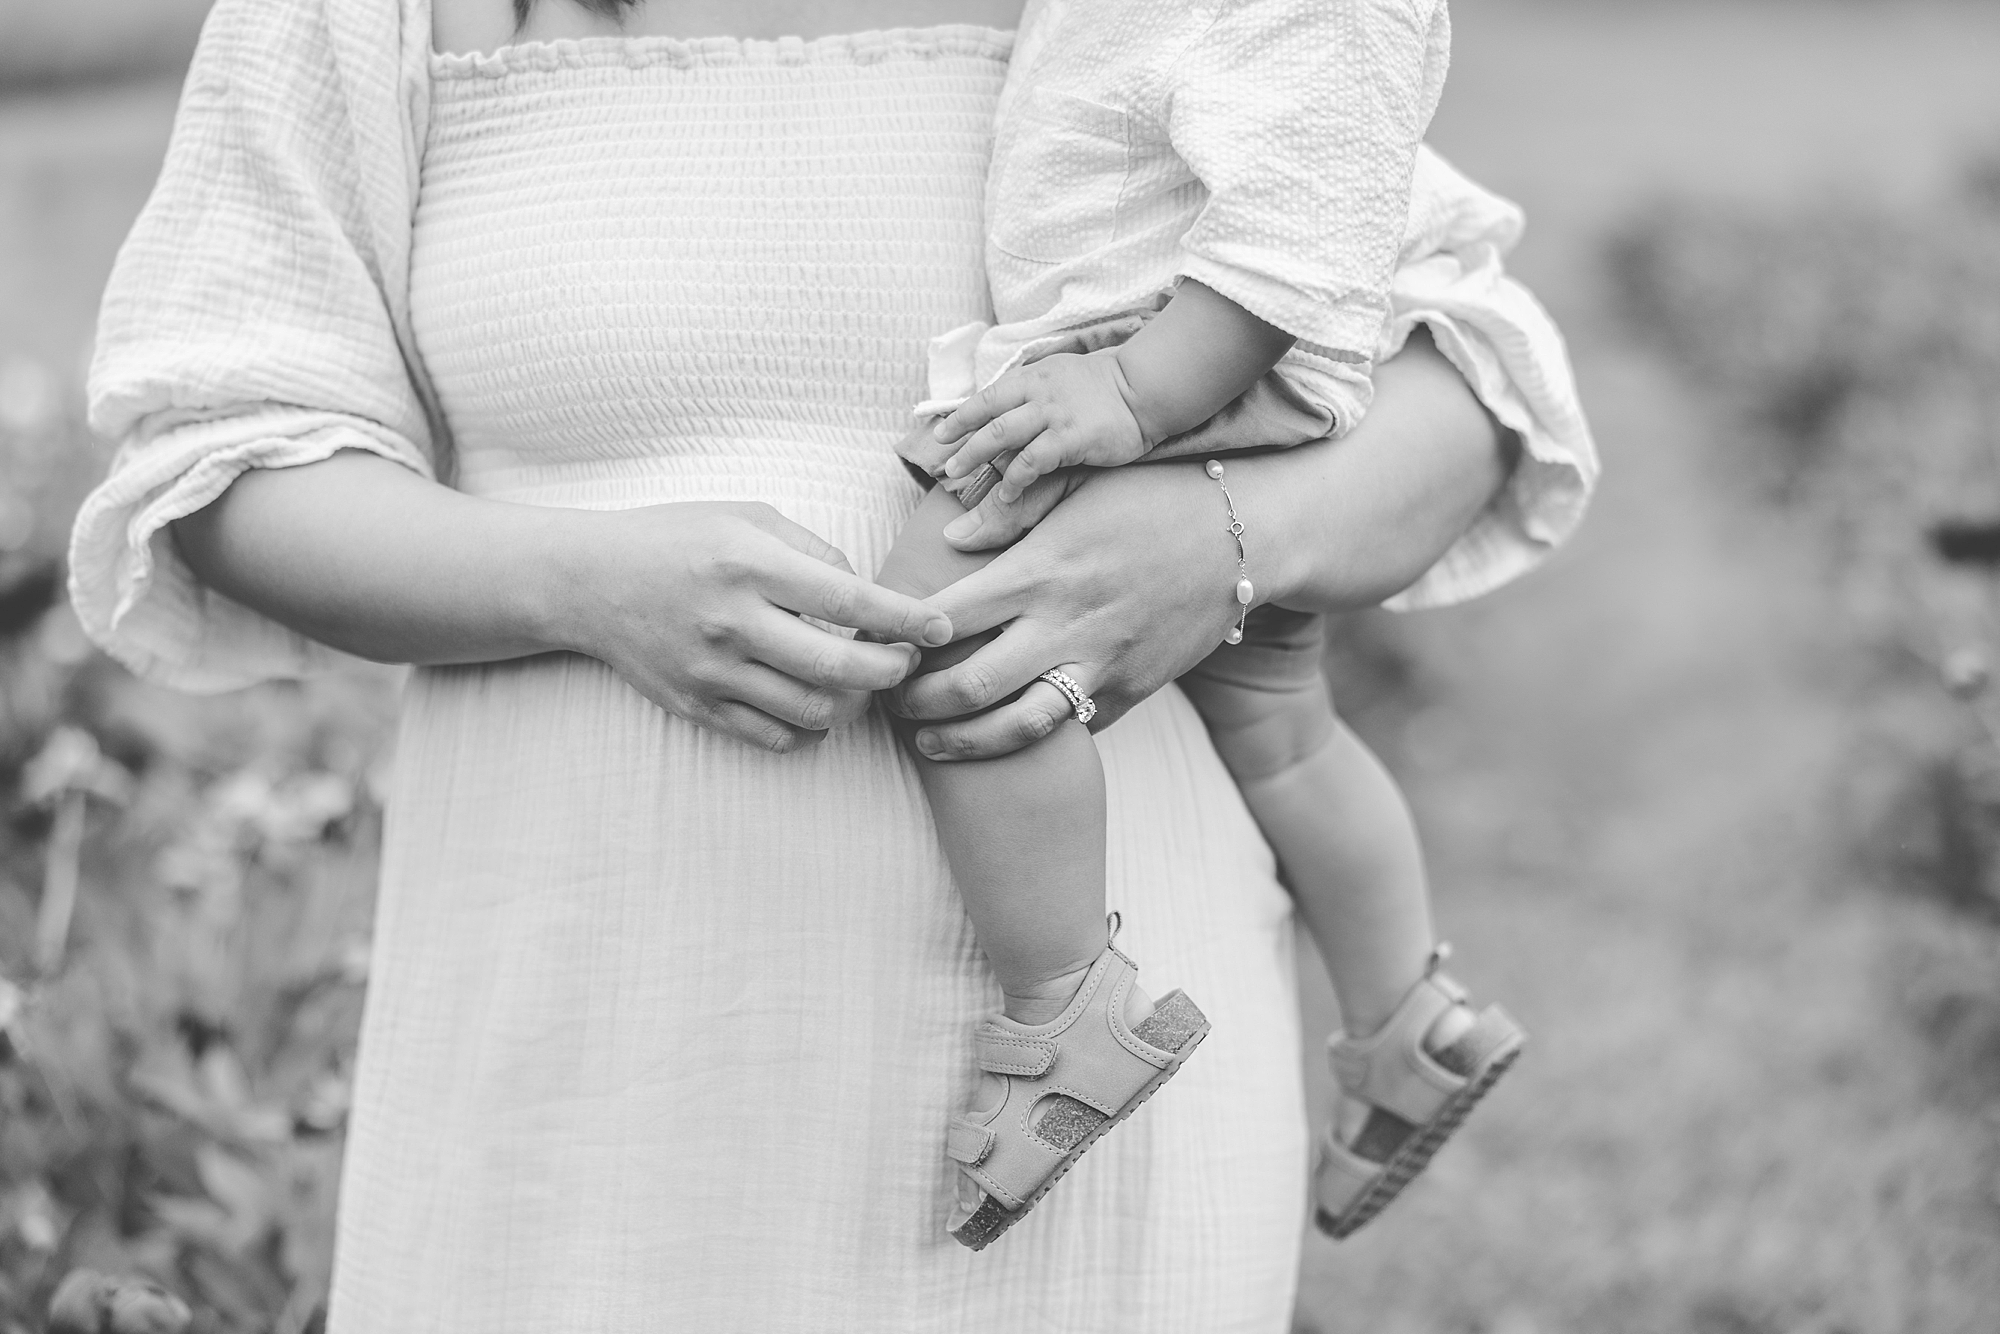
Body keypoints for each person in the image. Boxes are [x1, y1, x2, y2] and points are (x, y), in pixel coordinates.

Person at [68, 0, 1596, 1329]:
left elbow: (1470, 382)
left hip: (1100, 1137)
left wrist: (1231, 537)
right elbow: (220, 459)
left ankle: (1151, 1008)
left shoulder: (1167, 9)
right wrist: (577, 582)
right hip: (578, 1064)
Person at [873, 0, 1528, 1248]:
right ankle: (1406, 1019)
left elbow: (1296, 226)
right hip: (1162, 368)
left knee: (951, 618)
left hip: (1153, 367)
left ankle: (1063, 1002)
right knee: (1279, 719)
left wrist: (1130, 393)